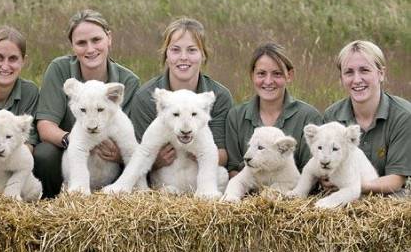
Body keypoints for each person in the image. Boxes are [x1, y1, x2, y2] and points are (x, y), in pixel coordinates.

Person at [33, 9, 140, 198]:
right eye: (81, 43)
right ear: (73, 46)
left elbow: (131, 137)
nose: (90, 49)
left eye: (96, 40)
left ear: (109, 38)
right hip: (70, 147)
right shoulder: (59, 69)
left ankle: (119, 198)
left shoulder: (126, 81)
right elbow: (45, 126)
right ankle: (48, 201)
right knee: (44, 153)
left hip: (110, 153)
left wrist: (118, 154)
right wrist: (74, 141)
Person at [130, 17, 233, 171]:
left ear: (203, 54)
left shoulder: (219, 96)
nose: (183, 57)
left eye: (192, 50)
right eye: (175, 50)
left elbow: (223, 154)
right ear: (166, 55)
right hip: (161, 184)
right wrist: (155, 161)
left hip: (198, 176)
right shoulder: (146, 96)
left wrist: (203, 153)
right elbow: (136, 153)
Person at [323, 40, 411, 194]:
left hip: (389, 203)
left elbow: (397, 179)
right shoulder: (332, 116)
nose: (357, 80)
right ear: (341, 78)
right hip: (341, 201)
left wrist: (356, 186)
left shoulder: (403, 116)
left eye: (364, 70)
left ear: (381, 74)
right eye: (349, 72)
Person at [225, 43, 322, 178]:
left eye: (277, 74)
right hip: (248, 193)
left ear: (289, 75)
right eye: (261, 74)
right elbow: (232, 168)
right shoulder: (236, 116)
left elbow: (313, 172)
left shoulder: (309, 117)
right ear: (252, 75)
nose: (268, 81)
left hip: (290, 193)